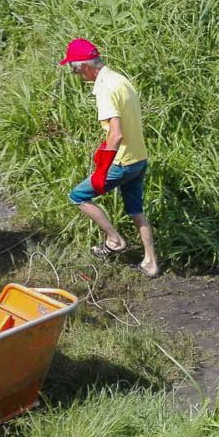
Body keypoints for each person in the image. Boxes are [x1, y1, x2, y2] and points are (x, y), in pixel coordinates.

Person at [62, 38, 159, 278]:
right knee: (136, 210)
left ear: (85, 66)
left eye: (74, 70)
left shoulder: (105, 89)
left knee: (78, 196)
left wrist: (102, 169)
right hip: (139, 158)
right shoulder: (120, 79)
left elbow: (116, 134)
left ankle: (115, 240)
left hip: (122, 162)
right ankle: (151, 262)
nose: (76, 75)